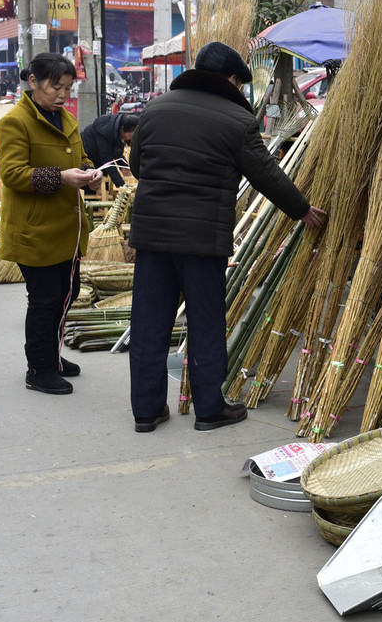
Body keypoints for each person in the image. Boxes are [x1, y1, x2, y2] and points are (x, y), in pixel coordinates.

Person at [127, 41, 326, 433]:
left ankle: (146, 411)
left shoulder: (155, 108)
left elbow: (137, 165)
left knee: (150, 322)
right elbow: (266, 174)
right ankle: (209, 409)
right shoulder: (236, 119)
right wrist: (303, 210)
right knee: (205, 323)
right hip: (202, 240)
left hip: (152, 236)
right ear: (233, 80)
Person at [0, 53, 104, 395]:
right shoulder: (16, 121)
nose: (62, 94)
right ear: (33, 82)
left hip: (67, 229)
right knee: (44, 300)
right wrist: (61, 177)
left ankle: (53, 357)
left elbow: (78, 156)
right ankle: (38, 369)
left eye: (67, 87)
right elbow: (12, 175)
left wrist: (88, 171)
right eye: (55, 86)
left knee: (65, 296)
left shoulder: (66, 119)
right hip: (36, 229)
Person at [80, 111, 139, 187]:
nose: (130, 139)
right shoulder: (103, 131)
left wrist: (123, 166)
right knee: (95, 184)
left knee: (104, 182)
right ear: (122, 129)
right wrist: (122, 186)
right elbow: (107, 161)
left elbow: (116, 153)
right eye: (130, 136)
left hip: (98, 159)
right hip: (87, 159)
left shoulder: (115, 129)